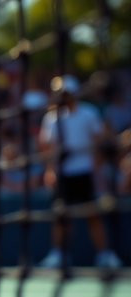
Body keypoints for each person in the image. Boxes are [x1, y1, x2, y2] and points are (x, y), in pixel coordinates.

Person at [38, 75, 122, 268]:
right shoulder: (51, 118)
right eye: (60, 93)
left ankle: (104, 255)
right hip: (62, 175)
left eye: (66, 93)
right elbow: (46, 147)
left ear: (73, 93)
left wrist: (96, 165)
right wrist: (50, 170)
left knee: (92, 215)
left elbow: (99, 141)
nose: (63, 97)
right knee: (61, 216)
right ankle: (58, 255)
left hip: (85, 172)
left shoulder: (88, 113)